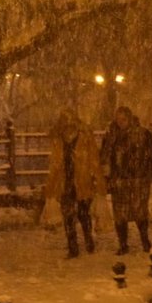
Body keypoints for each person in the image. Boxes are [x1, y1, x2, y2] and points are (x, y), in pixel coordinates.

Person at [101, 106, 152, 254]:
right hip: (120, 180)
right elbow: (104, 158)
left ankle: (144, 240)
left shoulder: (142, 134)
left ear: (129, 119)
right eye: (118, 119)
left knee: (140, 212)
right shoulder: (111, 136)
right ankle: (123, 244)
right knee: (120, 214)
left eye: (123, 119)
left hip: (138, 179)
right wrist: (105, 177)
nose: (120, 122)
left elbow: (151, 154)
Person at [45, 108, 107, 258]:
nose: (68, 124)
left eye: (70, 120)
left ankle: (88, 240)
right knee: (68, 217)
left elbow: (93, 160)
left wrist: (99, 180)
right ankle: (73, 247)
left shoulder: (85, 137)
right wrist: (51, 185)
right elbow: (54, 164)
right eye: (65, 121)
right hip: (65, 182)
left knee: (83, 214)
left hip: (82, 181)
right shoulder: (58, 140)